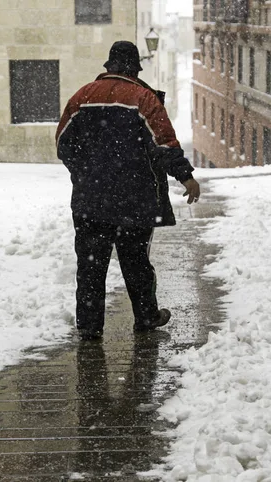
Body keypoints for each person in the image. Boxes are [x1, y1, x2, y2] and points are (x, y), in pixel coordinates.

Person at [55, 40, 200, 341]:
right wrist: (185, 176)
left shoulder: (81, 97)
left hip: (90, 200)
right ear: (135, 67)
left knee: (91, 266)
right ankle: (146, 317)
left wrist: (85, 173)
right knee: (135, 263)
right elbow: (164, 144)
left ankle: (90, 326)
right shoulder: (143, 99)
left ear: (109, 65)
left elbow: (63, 143)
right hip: (135, 201)